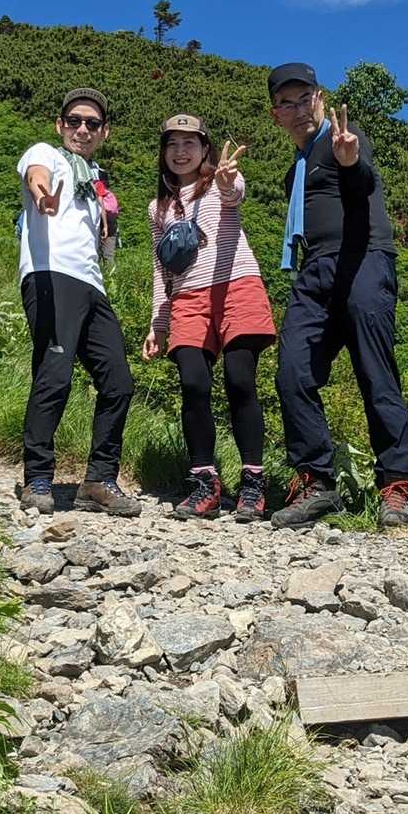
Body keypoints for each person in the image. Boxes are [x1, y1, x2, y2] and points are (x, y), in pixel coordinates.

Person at [265, 62, 408, 527]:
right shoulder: (295, 172)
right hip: (314, 270)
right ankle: (317, 483)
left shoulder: (344, 141)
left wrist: (350, 160)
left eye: (305, 99)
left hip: (363, 260)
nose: (298, 110)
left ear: (320, 99)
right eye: (286, 103)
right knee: (293, 371)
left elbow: (362, 181)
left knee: (375, 371)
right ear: (276, 115)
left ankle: (396, 485)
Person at [141, 113, 275, 522]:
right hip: (188, 298)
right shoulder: (158, 208)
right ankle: (205, 483)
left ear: (205, 149)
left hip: (237, 285)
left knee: (240, 380)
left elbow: (235, 193)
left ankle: (253, 482)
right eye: (172, 144)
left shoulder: (221, 182)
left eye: (190, 143)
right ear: (163, 153)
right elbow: (161, 268)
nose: (180, 152)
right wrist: (158, 322)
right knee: (193, 384)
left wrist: (227, 180)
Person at [16, 88, 139, 516]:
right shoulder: (46, 154)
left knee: (119, 381)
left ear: (104, 132)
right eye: (74, 120)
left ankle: (99, 481)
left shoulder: (95, 181)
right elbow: (36, 174)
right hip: (50, 274)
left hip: (91, 286)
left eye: (92, 123)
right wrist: (42, 194)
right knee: (55, 374)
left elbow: (102, 240)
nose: (82, 129)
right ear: (60, 125)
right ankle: (37, 477)